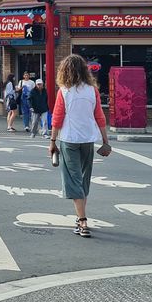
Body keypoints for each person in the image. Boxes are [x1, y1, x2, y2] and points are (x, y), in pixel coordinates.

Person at [48, 54, 111, 238]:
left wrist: (52, 141)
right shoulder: (92, 91)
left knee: (74, 179)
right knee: (83, 179)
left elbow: (57, 118)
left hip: (69, 139)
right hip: (88, 139)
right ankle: (80, 217)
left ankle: (82, 221)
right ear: (85, 70)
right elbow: (100, 117)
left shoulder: (64, 91)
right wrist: (106, 141)